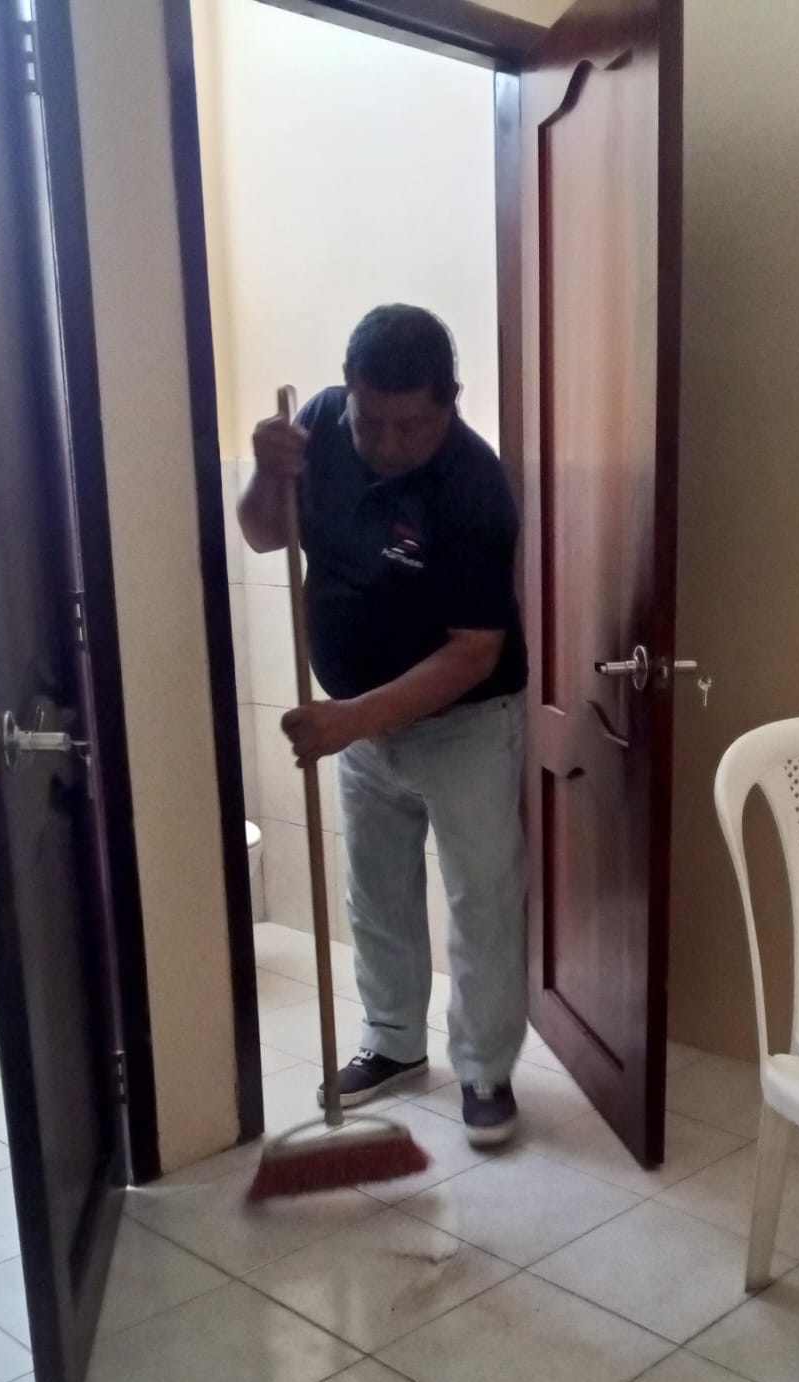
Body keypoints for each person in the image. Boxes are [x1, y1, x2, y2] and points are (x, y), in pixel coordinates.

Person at [238, 305, 528, 1147]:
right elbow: (263, 535)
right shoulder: (320, 424)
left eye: (411, 426)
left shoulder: (473, 487)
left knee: (481, 899)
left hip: (465, 725)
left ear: (451, 402)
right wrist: (266, 472)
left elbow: (473, 651)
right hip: (361, 725)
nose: (388, 443)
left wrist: (350, 718)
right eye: (372, 421)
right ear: (349, 391)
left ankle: (484, 1069)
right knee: (376, 891)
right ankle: (395, 1043)